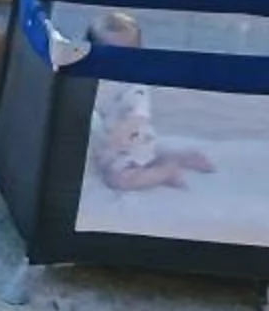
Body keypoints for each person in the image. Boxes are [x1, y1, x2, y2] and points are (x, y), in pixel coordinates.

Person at [84, 10, 215, 191]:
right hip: (112, 144)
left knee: (119, 180)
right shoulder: (90, 78)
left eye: (127, 56)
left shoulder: (135, 86)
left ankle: (167, 172)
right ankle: (182, 157)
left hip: (127, 144)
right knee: (154, 153)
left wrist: (118, 138)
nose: (118, 63)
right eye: (109, 54)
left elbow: (138, 117)